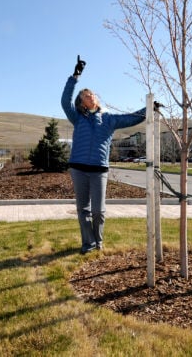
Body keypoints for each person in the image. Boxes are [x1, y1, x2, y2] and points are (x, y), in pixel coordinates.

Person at [61, 55, 146, 254]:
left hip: (99, 169)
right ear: (81, 103)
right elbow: (65, 101)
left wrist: (148, 109)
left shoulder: (108, 119)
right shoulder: (78, 118)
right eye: (85, 96)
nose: (90, 97)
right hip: (79, 168)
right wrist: (75, 77)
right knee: (83, 210)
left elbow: (130, 118)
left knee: (98, 210)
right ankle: (88, 243)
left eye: (91, 94)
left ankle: (97, 240)